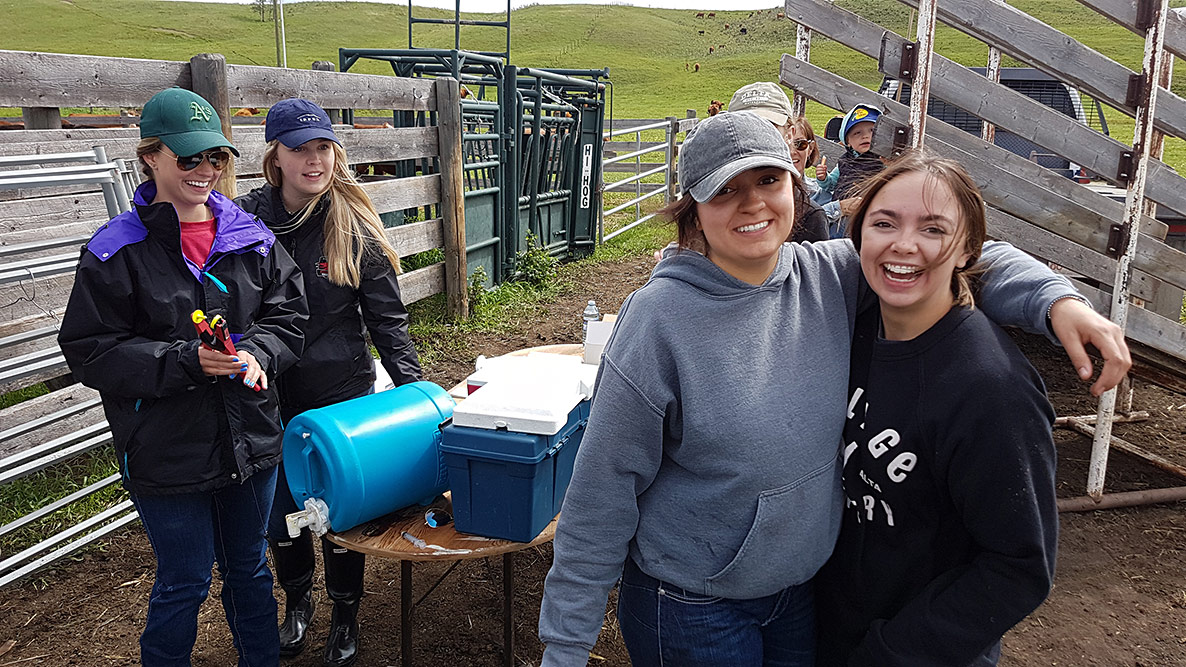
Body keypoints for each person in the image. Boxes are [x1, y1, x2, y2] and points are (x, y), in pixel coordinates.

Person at [536, 112, 1128, 667]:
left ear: (795, 187)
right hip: (694, 603)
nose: (752, 203)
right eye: (725, 189)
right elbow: (603, 489)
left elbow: (962, 254)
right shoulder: (658, 320)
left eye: (769, 179)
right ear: (693, 210)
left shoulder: (830, 276)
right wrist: (565, 646)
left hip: (800, 596)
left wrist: (1058, 303)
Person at [58, 87, 307, 666]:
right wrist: (184, 362)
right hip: (165, 448)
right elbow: (90, 349)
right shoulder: (116, 249)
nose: (205, 171)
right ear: (150, 156)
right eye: (188, 158)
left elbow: (290, 317)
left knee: (249, 569)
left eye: (215, 158)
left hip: (251, 439)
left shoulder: (251, 236)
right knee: (185, 581)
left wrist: (258, 355)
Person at [814, 152, 1060, 666]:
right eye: (884, 223)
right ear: (858, 237)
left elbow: (1018, 565)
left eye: (933, 229)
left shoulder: (991, 388)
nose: (903, 244)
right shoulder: (853, 329)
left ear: (969, 247)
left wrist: (891, 653)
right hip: (829, 630)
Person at [236, 98, 422, 667]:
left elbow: (387, 321)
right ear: (276, 155)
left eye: (322, 147)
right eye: (299, 148)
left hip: (337, 392)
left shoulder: (354, 226)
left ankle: (345, 611)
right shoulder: (245, 220)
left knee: (340, 507)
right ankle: (297, 601)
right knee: (280, 509)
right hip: (265, 392)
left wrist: (417, 394)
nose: (313, 160)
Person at [727, 82, 828, 243]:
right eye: (745, 128)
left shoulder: (809, 216)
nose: (757, 137)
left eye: (770, 128)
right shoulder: (710, 198)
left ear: (790, 134)